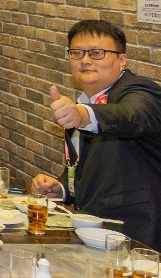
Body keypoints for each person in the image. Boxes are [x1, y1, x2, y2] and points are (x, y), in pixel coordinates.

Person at [31, 20, 161, 249]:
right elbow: (86, 167)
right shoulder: (81, 103)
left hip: (136, 238)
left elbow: (134, 115)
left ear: (122, 60)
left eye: (97, 53)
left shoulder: (140, 90)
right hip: (92, 234)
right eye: (77, 53)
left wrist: (84, 116)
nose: (85, 60)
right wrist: (61, 188)